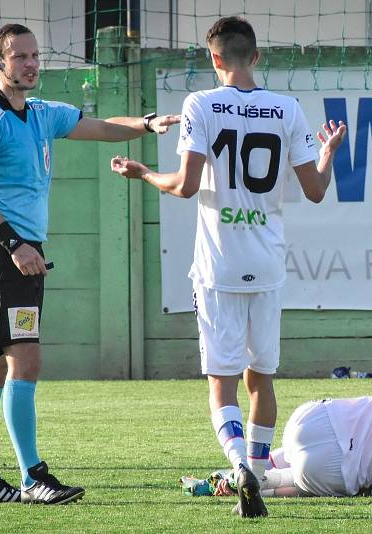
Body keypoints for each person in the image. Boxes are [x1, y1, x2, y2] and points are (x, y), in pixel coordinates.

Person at [110, 16, 346, 517]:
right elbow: (316, 190)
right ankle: (258, 473)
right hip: (267, 263)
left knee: (221, 379)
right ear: (256, 57)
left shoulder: (200, 103)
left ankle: (239, 465)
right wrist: (326, 154)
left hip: (218, 264)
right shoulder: (287, 108)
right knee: (260, 377)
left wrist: (144, 172)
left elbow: (187, 185)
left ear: (214, 58)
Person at [0, 23, 178, 505]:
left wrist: (147, 124)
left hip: (19, 253)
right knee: (25, 358)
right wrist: (15, 245)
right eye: (19, 57)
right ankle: (32, 476)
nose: (31, 64)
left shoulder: (41, 113)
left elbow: (98, 127)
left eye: (35, 55)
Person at [181, 395, 372, 499]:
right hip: (324, 469)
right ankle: (254, 487)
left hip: (310, 419)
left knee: (283, 456)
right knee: (344, 478)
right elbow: (369, 489)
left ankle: (236, 472)